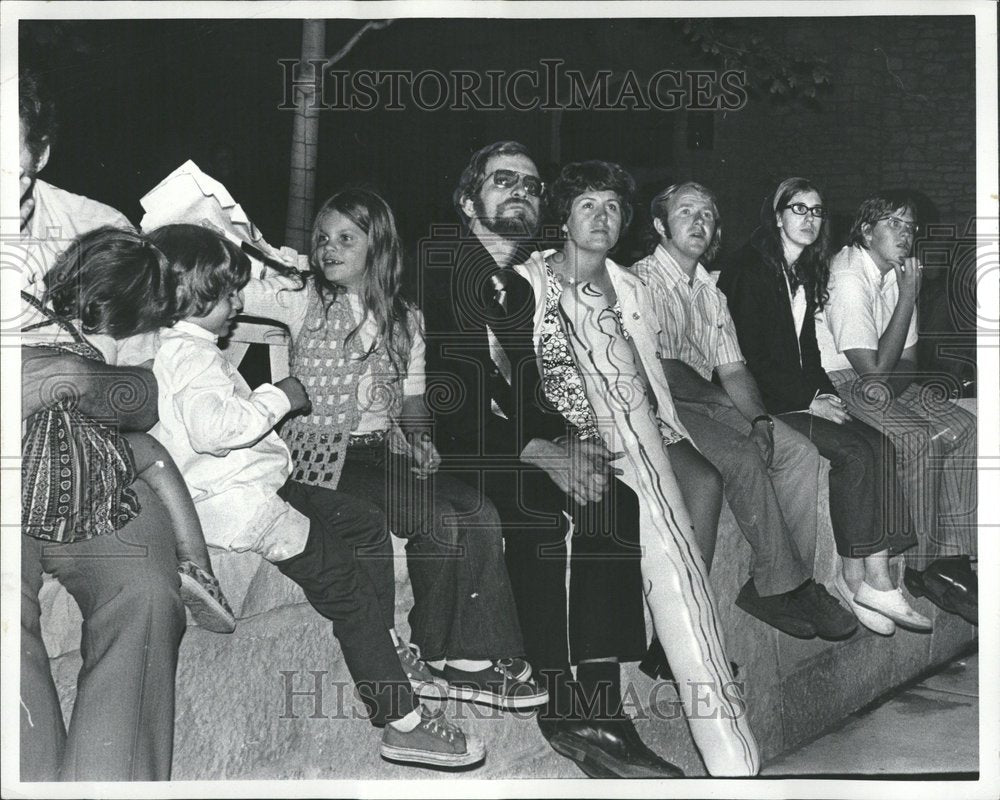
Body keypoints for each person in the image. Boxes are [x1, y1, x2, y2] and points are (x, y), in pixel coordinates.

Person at [145, 223, 485, 769]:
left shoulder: (180, 345)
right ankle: (401, 720)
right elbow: (215, 430)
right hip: (244, 507)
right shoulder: (191, 357)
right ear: (196, 295)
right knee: (346, 588)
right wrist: (279, 395)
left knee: (362, 521)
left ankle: (388, 643)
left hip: (257, 484)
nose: (237, 303)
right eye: (229, 292)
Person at [420, 141, 682, 778]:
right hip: (442, 450)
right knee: (538, 507)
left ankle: (601, 709)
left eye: (532, 186)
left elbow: (526, 390)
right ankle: (562, 699)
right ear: (467, 200)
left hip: (495, 442)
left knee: (611, 496)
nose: (520, 192)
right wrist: (542, 454)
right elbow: (454, 400)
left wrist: (566, 443)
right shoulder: (445, 266)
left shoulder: (511, 285)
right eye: (502, 180)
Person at [240, 187, 546, 709]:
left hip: (383, 452)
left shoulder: (407, 320)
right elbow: (233, 292)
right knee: (436, 517)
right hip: (323, 457)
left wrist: (422, 436)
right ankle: (437, 654)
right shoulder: (301, 300)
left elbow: (411, 400)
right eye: (321, 239)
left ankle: (459, 656)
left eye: (345, 238)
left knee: (477, 509)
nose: (327, 249)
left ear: (377, 247)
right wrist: (264, 259)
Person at [514, 160, 760, 776]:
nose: (602, 217)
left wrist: (663, 438)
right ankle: (601, 710)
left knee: (681, 566)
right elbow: (508, 380)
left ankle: (727, 748)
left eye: (613, 207)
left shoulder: (630, 288)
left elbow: (650, 378)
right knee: (618, 526)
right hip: (572, 442)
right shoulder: (527, 283)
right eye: (588, 205)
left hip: (641, 438)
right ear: (564, 216)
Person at [20, 68, 185, 782]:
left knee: (147, 593)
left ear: (43, 152)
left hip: (92, 462)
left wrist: (76, 379)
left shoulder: (100, 230)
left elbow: (145, 396)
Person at [630, 181, 857, 641]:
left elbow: (733, 370)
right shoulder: (639, 282)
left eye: (707, 215)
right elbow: (661, 370)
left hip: (705, 404)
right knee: (740, 458)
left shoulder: (710, 293)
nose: (699, 222)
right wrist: (726, 406)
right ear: (659, 225)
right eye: (686, 212)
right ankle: (785, 585)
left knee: (797, 453)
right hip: (659, 408)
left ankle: (777, 583)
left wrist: (758, 420)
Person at [717, 178, 930, 635]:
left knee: (878, 442)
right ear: (776, 215)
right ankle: (860, 579)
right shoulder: (751, 270)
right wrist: (808, 398)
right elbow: (748, 359)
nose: (810, 218)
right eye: (799, 209)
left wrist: (823, 392)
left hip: (798, 394)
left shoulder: (801, 270)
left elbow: (806, 350)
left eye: (816, 211)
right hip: (759, 402)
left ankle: (871, 578)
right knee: (852, 453)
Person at [24, 227, 236, 632]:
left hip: (29, 478)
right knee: (154, 456)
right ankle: (197, 564)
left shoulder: (36, 319)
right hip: (72, 474)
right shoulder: (107, 341)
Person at [814, 190, 978, 624]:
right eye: (894, 224)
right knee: (916, 438)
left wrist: (890, 386)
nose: (906, 234)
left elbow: (907, 359)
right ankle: (923, 569)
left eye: (911, 226)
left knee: (964, 426)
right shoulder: (848, 274)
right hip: (840, 381)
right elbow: (868, 372)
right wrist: (908, 297)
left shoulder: (898, 272)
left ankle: (954, 558)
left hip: (887, 380)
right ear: (867, 231)